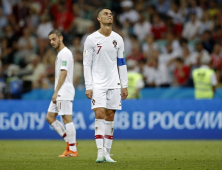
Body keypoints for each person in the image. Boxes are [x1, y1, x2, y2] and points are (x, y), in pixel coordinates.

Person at [83, 8, 128, 163]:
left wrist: (125, 85)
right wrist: (88, 86)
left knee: (110, 116)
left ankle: (107, 153)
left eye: (110, 14)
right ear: (98, 19)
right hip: (97, 84)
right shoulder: (91, 39)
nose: (109, 15)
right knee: (99, 114)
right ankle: (99, 151)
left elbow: (121, 63)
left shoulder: (118, 39)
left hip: (114, 83)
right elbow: (86, 64)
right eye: (105, 14)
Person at [46, 29, 78, 157]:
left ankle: (73, 150)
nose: (52, 42)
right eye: (50, 40)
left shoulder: (65, 53)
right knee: (50, 117)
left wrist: (56, 91)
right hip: (61, 92)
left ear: (61, 38)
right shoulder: (61, 54)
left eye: (54, 39)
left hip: (64, 91)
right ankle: (70, 143)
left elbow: (64, 73)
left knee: (67, 119)